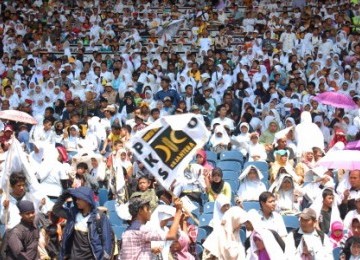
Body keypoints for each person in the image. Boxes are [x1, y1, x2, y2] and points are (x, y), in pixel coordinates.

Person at [53, 187, 113, 259]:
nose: (77, 201)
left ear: (87, 200)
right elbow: (56, 210)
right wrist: (64, 196)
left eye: (79, 199)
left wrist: (104, 258)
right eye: (76, 199)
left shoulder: (100, 217)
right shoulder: (73, 214)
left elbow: (107, 240)